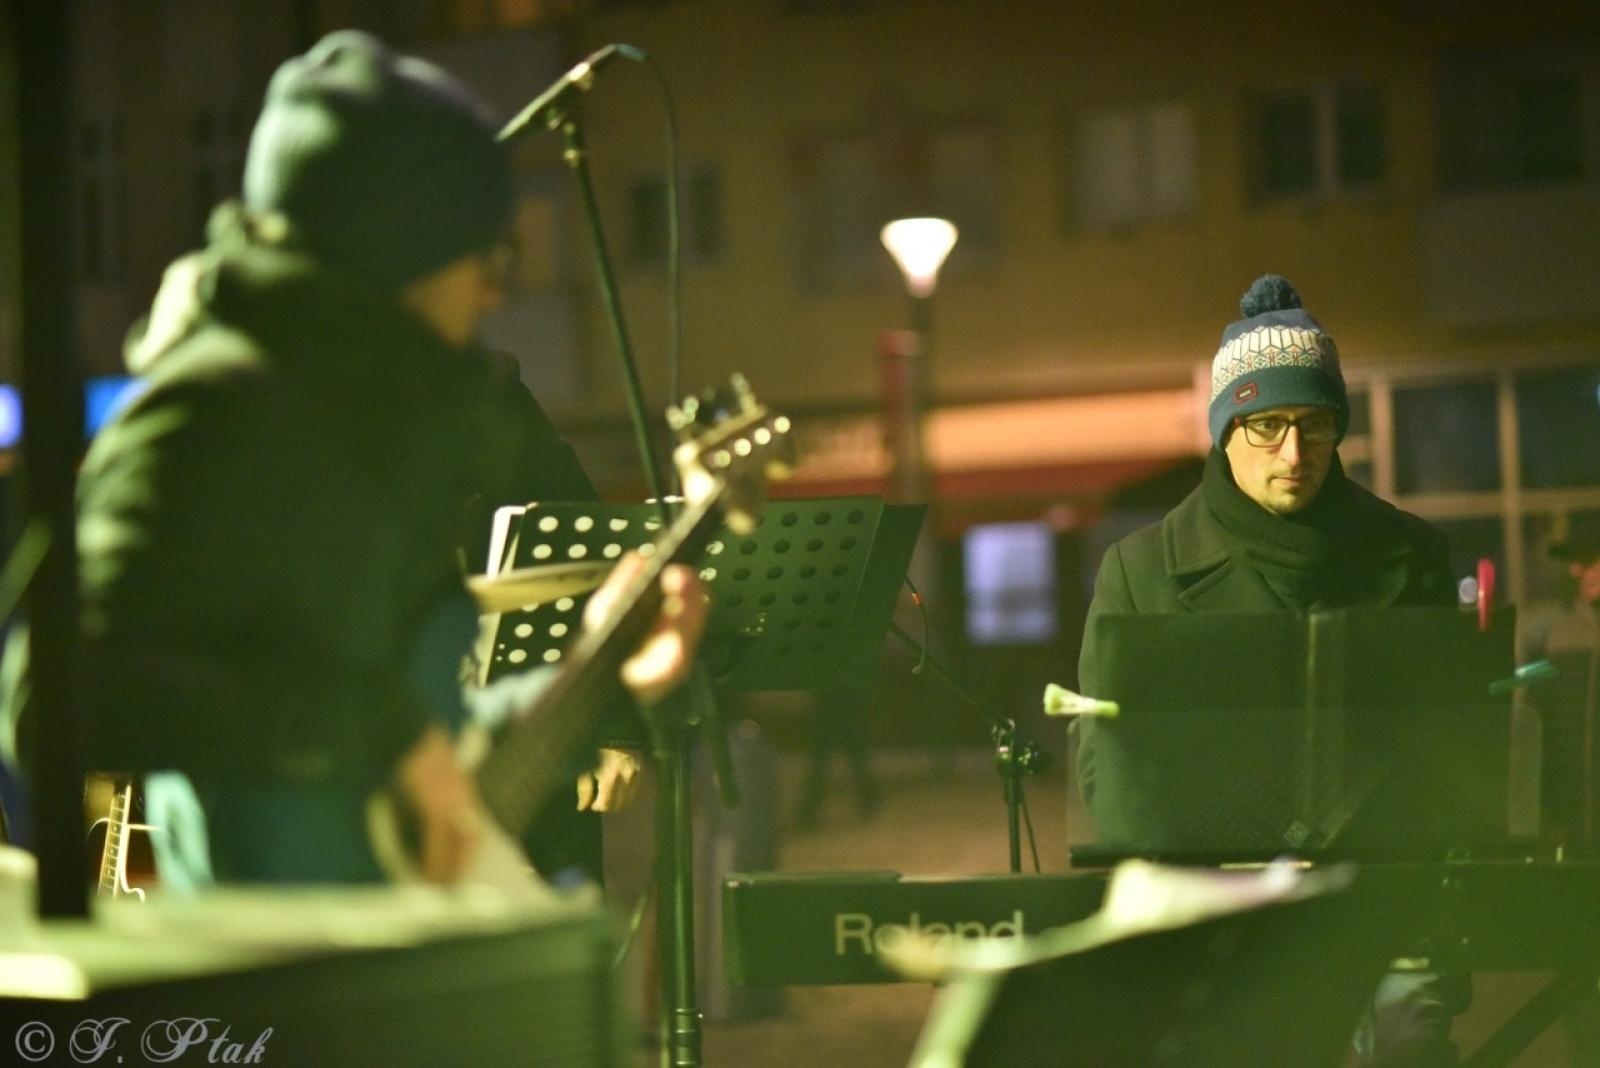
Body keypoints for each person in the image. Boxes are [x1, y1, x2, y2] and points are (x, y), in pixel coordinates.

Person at [0, 30, 702, 888]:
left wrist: (609, 677)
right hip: (271, 980)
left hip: (377, 954)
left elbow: (414, 741)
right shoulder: (218, 410)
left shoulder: (378, 425)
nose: (494, 289)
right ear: (395, 247)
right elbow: (55, 701)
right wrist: (383, 736)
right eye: (480, 252)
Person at [1075, 274, 1464, 1066]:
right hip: (1218, 920)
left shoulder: (1411, 555)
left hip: (1384, 908)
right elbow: (1106, 771)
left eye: (1316, 425)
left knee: (1408, 1048)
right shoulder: (1141, 570)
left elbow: (1453, 743)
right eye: (1267, 425)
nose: (1295, 453)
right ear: (1225, 429)